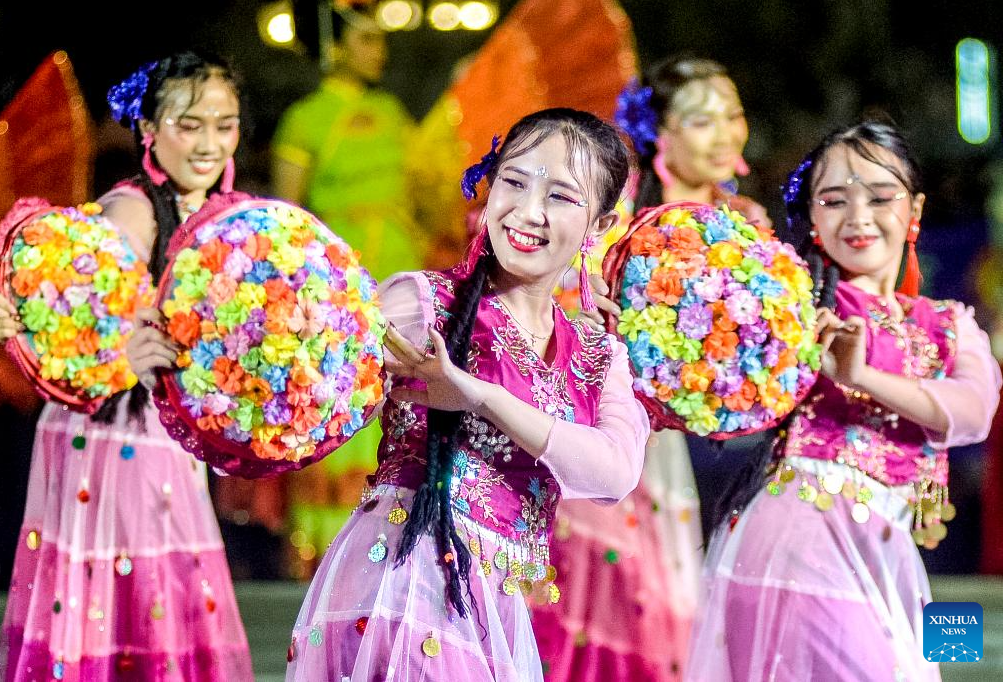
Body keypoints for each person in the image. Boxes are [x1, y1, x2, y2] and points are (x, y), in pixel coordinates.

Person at [284, 107, 649, 681]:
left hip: (493, 605)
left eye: (559, 196)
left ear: (599, 227)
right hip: (401, 579)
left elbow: (613, 473)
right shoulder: (422, 304)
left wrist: (477, 396)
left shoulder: (600, 355)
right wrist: (301, 341)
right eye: (514, 181)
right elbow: (322, 388)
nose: (527, 212)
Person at [685, 121, 1002, 681]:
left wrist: (863, 376)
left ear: (915, 208)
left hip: (891, 552)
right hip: (799, 539)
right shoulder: (790, 305)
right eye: (834, 200)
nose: (857, 217)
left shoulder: (951, 323)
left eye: (880, 197)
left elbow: (973, 414)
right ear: (812, 215)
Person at [0, 52, 253, 681]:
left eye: (225, 124)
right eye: (190, 124)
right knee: (128, 607)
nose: (210, 142)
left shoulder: (228, 216)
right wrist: (24, 323)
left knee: (159, 601)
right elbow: (67, 332)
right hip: (110, 439)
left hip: (164, 439)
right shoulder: (130, 214)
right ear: (151, 131)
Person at [534, 56, 768, 681]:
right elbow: (560, 300)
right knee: (618, 593)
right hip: (610, 424)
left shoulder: (747, 225)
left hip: (702, 443)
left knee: (687, 597)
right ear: (658, 133)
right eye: (701, 120)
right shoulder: (619, 209)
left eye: (733, 115)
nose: (724, 133)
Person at [270, 2, 424, 574]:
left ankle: (398, 529)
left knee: (400, 389)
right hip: (339, 281)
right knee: (344, 389)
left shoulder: (392, 111)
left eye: (382, 40)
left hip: (399, 266)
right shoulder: (305, 119)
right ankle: (328, 551)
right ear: (335, 45)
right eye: (366, 39)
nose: (379, 50)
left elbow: (426, 181)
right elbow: (287, 215)